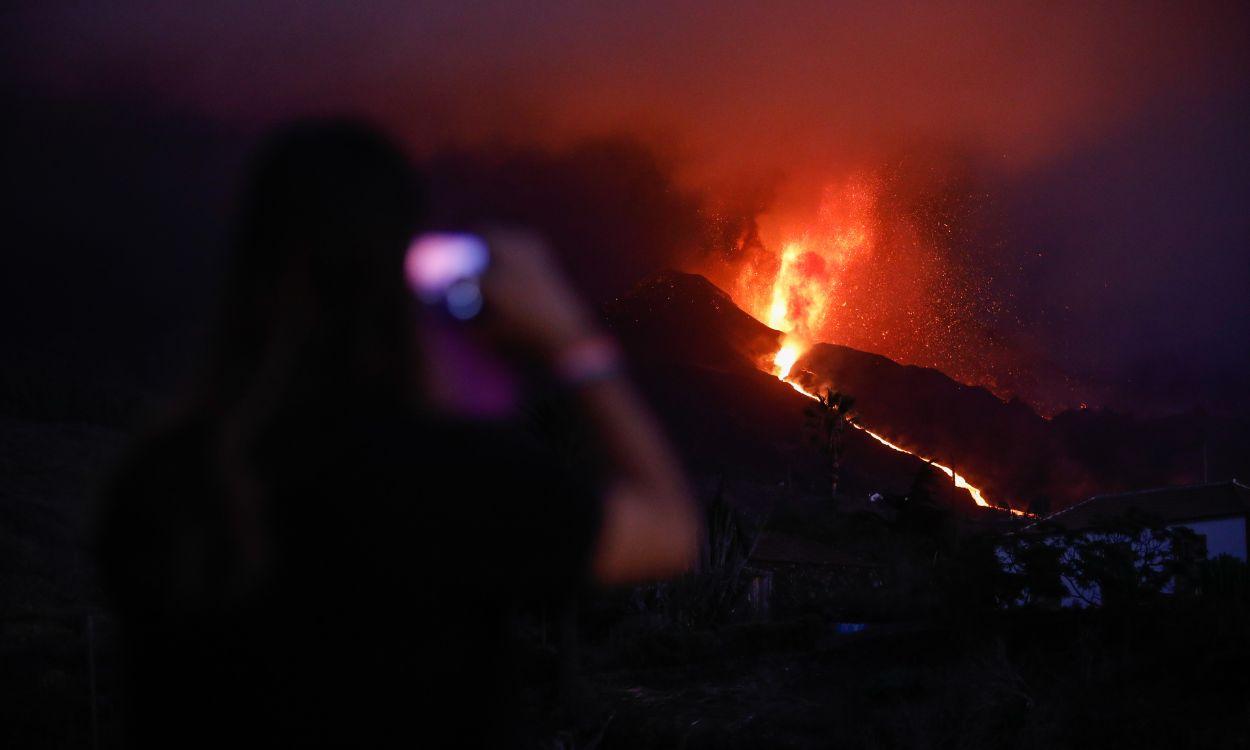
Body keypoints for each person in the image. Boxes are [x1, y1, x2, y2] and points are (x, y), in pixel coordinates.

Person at [96, 120, 697, 747]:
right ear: (404, 274)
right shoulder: (454, 483)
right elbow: (670, 531)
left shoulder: (159, 481)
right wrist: (574, 341)